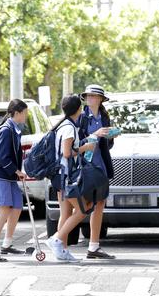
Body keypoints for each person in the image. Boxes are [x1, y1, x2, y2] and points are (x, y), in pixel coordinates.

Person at [46, 95, 97, 262]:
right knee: (84, 208)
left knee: (66, 212)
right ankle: (57, 239)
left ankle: (62, 251)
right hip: (67, 176)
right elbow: (67, 153)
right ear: (79, 110)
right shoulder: (68, 128)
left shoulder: (63, 125)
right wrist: (85, 147)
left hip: (59, 176)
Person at [0, 99, 29, 262]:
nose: (26, 116)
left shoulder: (15, 130)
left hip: (9, 177)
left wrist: (17, 172)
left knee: (17, 206)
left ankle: (7, 244)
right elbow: (3, 157)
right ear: (17, 113)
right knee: (4, 210)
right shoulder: (6, 131)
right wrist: (17, 171)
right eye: (25, 113)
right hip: (1, 176)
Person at [78, 84, 119, 259]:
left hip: (100, 165)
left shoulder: (104, 116)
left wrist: (110, 136)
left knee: (100, 203)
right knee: (82, 205)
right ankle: (59, 240)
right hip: (85, 166)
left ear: (101, 99)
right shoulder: (81, 118)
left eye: (95, 96)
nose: (91, 99)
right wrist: (95, 133)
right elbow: (77, 142)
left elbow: (106, 146)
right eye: (89, 96)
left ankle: (94, 246)